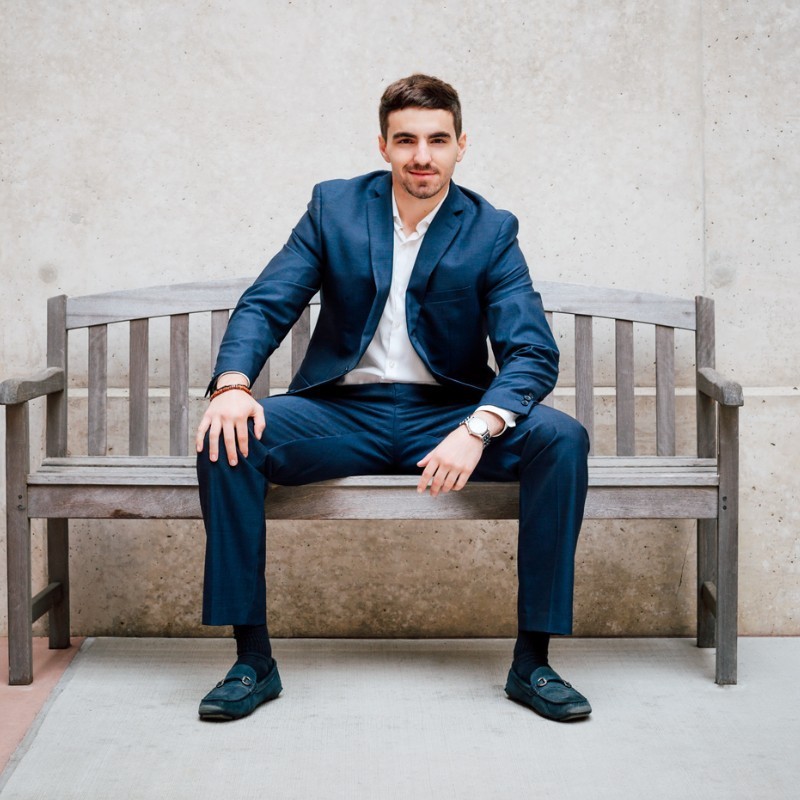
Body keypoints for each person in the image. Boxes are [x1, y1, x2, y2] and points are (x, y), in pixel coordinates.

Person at [195, 74, 591, 723]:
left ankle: (533, 663)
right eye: (406, 140)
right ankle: (252, 660)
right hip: (341, 414)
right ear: (384, 145)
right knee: (228, 436)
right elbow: (267, 303)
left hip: (448, 417)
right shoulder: (335, 209)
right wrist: (233, 384)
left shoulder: (490, 230)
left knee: (561, 438)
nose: (421, 156)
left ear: (461, 145)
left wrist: (479, 427)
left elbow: (531, 350)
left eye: (437, 139)